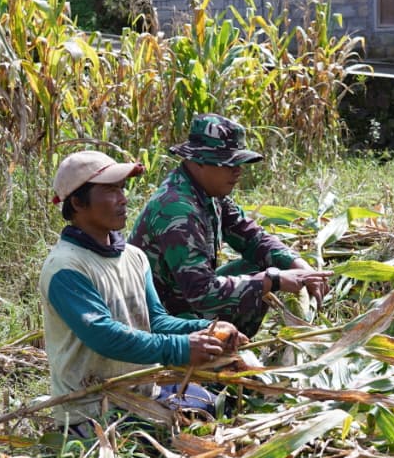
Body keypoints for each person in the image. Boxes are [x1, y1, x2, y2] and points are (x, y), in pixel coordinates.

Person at [40, 149, 248, 436]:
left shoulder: (133, 257)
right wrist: (181, 348)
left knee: (224, 406)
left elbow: (156, 320)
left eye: (122, 188)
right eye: (111, 190)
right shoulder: (66, 267)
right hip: (94, 408)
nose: (123, 199)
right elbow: (104, 336)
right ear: (77, 202)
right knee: (172, 437)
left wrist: (207, 329)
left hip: (144, 391)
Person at [130, 114, 331, 337]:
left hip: (185, 301)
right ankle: (225, 348)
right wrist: (272, 280)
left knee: (259, 268)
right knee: (260, 281)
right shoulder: (177, 209)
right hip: (161, 320)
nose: (238, 170)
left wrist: (299, 266)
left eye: (238, 162)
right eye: (228, 163)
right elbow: (201, 293)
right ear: (198, 161)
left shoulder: (207, 193)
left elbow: (252, 238)